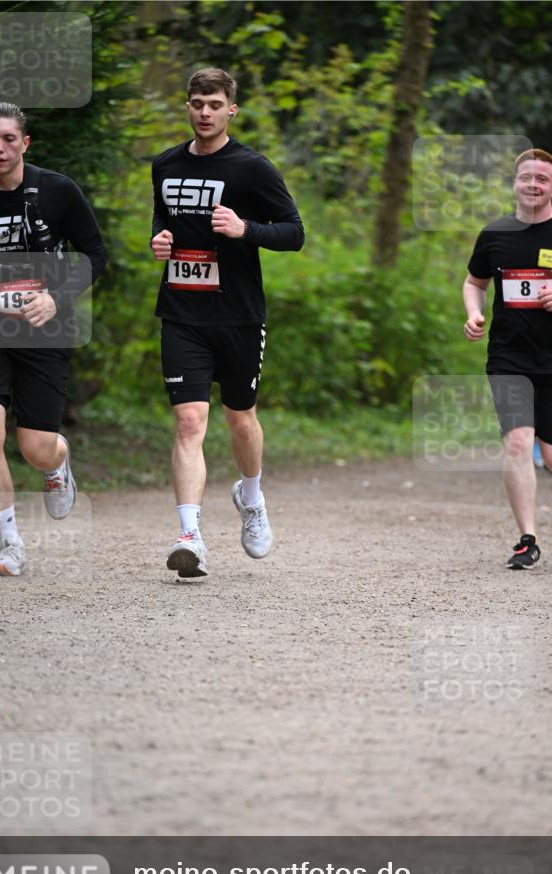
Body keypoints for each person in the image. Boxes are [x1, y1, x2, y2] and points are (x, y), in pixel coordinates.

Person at [150, 67, 304, 578]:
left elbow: (294, 234)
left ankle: (251, 497)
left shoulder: (252, 168)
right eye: (196, 103)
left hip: (238, 314)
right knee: (190, 421)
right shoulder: (166, 164)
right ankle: (190, 536)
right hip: (182, 311)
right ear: (188, 106)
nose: (205, 112)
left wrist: (246, 229)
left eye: (214, 104)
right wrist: (161, 240)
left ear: (230, 109)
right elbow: (163, 219)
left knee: (241, 418)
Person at [0, 103, 107, 576]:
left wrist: (57, 297)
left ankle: (56, 464)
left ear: (25, 142)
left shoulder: (57, 191)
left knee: (35, 445)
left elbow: (95, 253)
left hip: (43, 327)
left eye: (9, 138)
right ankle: (9, 543)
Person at [463, 148, 552, 569]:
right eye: (526, 177)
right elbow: (475, 282)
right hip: (508, 357)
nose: (533, 184)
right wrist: (474, 312)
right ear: (515, 182)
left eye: (542, 179)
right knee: (519, 442)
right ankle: (527, 538)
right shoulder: (494, 234)